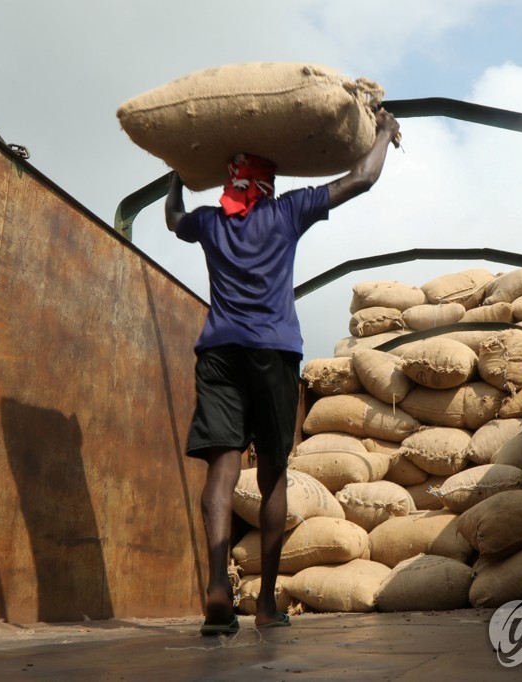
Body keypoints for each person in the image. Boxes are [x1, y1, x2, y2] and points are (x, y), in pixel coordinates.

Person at [165, 109, 401, 635]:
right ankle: (267, 605)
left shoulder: (209, 222)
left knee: (222, 471)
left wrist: (176, 174)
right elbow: (361, 178)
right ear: (269, 186)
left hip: (219, 351)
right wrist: (384, 132)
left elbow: (172, 218)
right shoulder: (288, 212)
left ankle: (218, 587)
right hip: (274, 351)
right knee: (272, 474)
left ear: (229, 184)